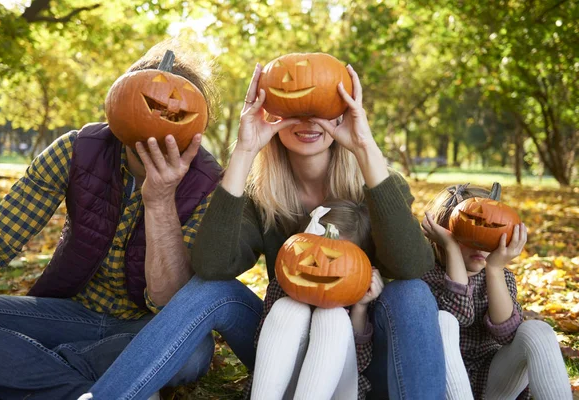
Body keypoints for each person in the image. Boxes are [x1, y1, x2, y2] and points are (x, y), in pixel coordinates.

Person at [78, 61, 446, 400]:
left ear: (341, 112)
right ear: (272, 114)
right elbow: (212, 266)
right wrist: (246, 150)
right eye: (293, 111)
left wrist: (365, 148)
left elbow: (413, 265)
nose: (307, 121)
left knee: (412, 292)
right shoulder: (260, 195)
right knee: (212, 289)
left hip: (365, 357)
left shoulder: (380, 184)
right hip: (283, 351)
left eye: (319, 109)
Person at [0, 39, 223, 400]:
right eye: (151, 106)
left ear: (196, 124)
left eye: (175, 115)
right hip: (67, 313)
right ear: (119, 103)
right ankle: (90, 388)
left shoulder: (210, 186)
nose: (158, 124)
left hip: (146, 329)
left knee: (193, 352)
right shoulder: (75, 150)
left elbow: (169, 300)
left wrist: (159, 200)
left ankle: (30, 368)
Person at [421, 183, 572, 400]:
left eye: (491, 236)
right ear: (439, 238)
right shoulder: (429, 277)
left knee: (537, 330)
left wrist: (494, 268)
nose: (479, 246)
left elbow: (507, 335)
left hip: (494, 380)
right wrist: (452, 250)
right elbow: (459, 317)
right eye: (465, 236)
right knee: (444, 320)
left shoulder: (501, 276)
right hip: (444, 382)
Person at [250, 201, 383, 400]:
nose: (317, 267)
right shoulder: (283, 286)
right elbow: (262, 345)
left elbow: (361, 362)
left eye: (332, 260)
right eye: (312, 250)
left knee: (333, 315)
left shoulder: (358, 293)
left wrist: (360, 307)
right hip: (284, 387)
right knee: (288, 307)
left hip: (338, 391)